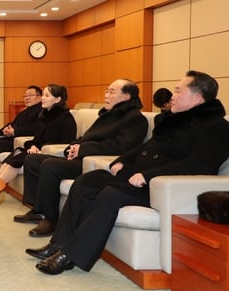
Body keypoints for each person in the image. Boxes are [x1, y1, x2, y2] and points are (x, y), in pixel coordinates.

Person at [25, 70, 229, 276]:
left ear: (196, 97)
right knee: (86, 182)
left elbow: (198, 165)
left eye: (178, 91)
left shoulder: (217, 127)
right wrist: (122, 160)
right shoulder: (175, 120)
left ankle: (70, 257)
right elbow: (149, 146)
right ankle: (58, 244)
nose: (172, 96)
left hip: (163, 188)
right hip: (138, 177)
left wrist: (149, 176)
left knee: (111, 194)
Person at [14, 79, 149, 237]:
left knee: (51, 166)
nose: (106, 95)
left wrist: (83, 149)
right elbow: (86, 137)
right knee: (32, 160)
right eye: (106, 90)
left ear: (126, 97)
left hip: (92, 164)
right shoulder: (107, 115)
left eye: (111, 92)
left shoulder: (135, 119)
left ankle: (50, 220)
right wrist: (72, 148)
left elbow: (121, 146)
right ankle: (37, 209)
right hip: (81, 157)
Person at [0, 84, 76, 186]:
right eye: (43, 95)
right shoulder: (43, 115)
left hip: (51, 154)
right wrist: (33, 145)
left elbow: (67, 142)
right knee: (16, 153)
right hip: (37, 150)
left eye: (47, 96)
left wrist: (41, 149)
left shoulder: (65, 117)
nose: (43, 98)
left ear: (57, 99)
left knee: (18, 158)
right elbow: (37, 138)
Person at [0, 85, 42, 175]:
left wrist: (14, 132)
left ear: (40, 97)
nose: (27, 98)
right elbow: (12, 124)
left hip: (19, 142)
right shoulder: (24, 112)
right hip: (10, 138)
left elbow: (35, 129)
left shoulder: (41, 112)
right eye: (25, 96)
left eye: (30, 95)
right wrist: (4, 130)